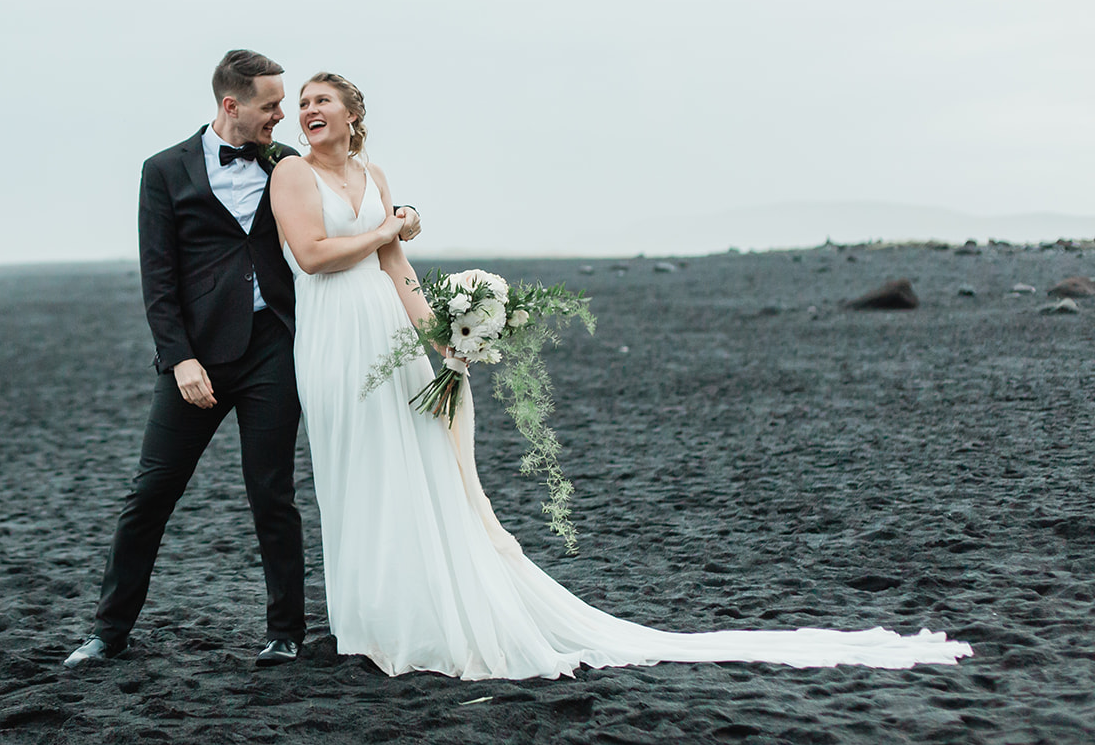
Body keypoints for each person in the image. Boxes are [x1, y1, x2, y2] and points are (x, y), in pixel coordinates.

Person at [270, 71, 973, 680]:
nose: (308, 109)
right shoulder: (293, 174)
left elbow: (398, 269)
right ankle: (366, 623)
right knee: (356, 468)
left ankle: (414, 611)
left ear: (353, 115)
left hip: (392, 336)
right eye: (303, 101)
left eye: (322, 98)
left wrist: (441, 338)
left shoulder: (374, 177)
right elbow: (313, 254)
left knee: (417, 467)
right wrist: (390, 230)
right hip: (334, 337)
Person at [64, 51, 420, 669]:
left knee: (272, 494)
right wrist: (179, 360)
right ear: (232, 105)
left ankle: (285, 633)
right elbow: (159, 278)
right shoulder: (164, 171)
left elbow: (344, 191)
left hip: (275, 348)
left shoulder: (285, 163)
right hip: (195, 358)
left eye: (288, 103)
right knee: (152, 492)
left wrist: (406, 214)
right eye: (272, 105)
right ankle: (108, 632)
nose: (282, 116)